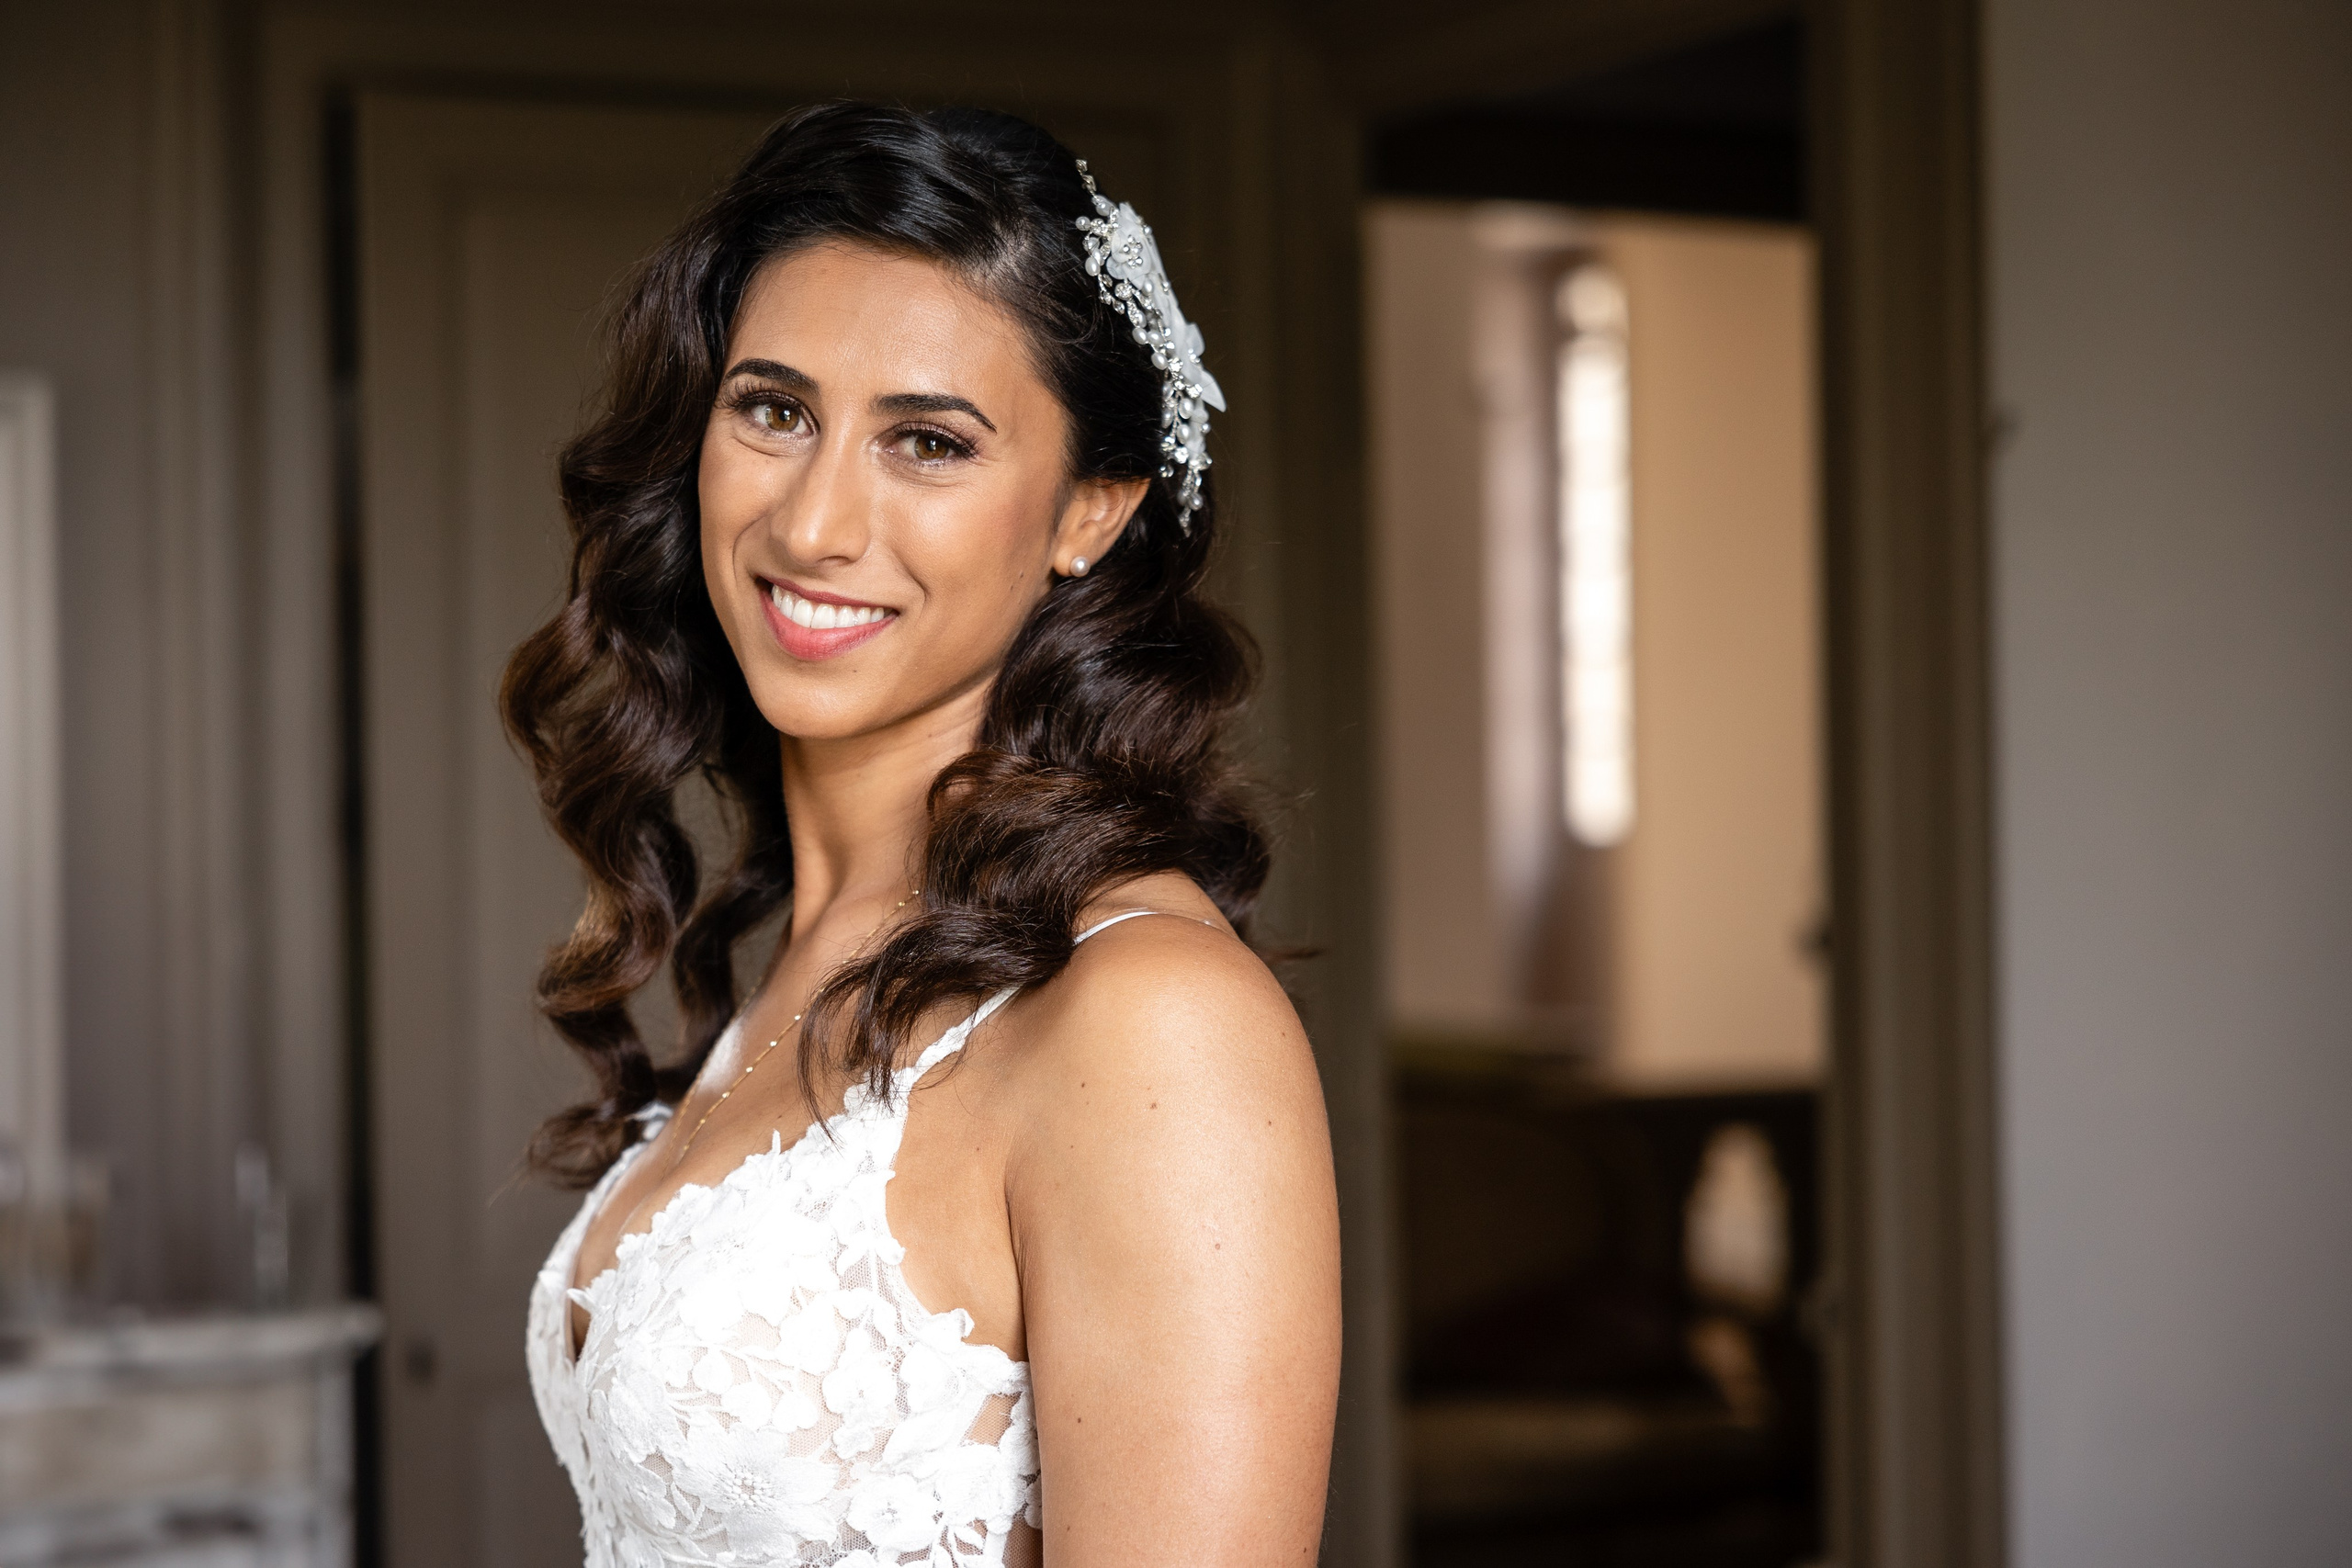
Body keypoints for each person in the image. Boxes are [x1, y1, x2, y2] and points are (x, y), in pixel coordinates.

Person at [505, 102, 1341, 1567]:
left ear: (1091, 509)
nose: (815, 524)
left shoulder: (1152, 1020)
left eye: (929, 442)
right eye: (774, 411)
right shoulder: (802, 949)